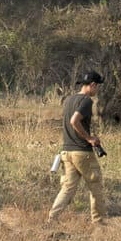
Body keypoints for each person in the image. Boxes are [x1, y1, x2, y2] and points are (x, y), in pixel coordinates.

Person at [48, 70, 108, 224]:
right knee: (95, 185)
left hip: (66, 151)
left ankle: (52, 218)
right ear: (92, 85)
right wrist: (89, 138)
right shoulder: (87, 101)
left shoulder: (68, 99)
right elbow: (74, 121)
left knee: (68, 188)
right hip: (82, 152)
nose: (97, 90)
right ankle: (99, 221)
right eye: (97, 86)